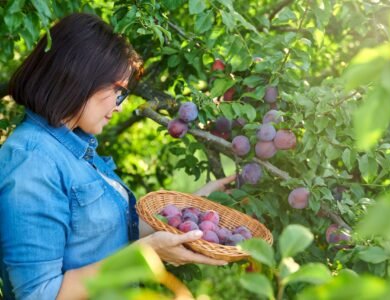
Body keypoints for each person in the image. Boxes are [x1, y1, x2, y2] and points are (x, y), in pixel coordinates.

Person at [0, 13, 235, 300]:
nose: (120, 106)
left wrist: (193, 208)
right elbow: (40, 294)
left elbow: (103, 235)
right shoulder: (32, 161)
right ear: (79, 75)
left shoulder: (73, 147)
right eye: (118, 91)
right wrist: (147, 252)